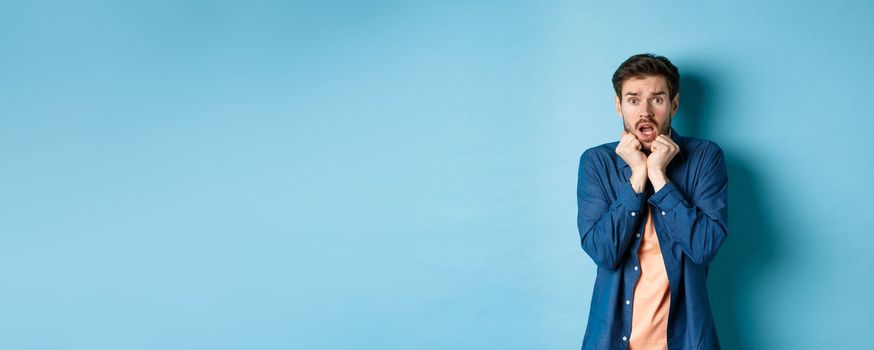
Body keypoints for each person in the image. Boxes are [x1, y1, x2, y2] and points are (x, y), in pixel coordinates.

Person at [576, 53, 728, 350]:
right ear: (619, 105)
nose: (644, 111)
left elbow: (704, 247)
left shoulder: (705, 157)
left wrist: (658, 175)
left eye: (657, 99)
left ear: (674, 104)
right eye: (633, 100)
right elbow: (603, 252)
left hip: (686, 340)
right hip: (611, 340)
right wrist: (637, 176)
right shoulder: (597, 162)